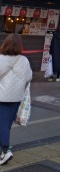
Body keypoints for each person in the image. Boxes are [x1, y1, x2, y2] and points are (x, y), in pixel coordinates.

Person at [0, 33, 32, 165]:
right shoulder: (24, 60)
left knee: (2, 125)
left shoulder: (1, 59)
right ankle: (3, 151)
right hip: (16, 97)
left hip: (1, 97)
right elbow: (29, 77)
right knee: (6, 125)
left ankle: (5, 151)